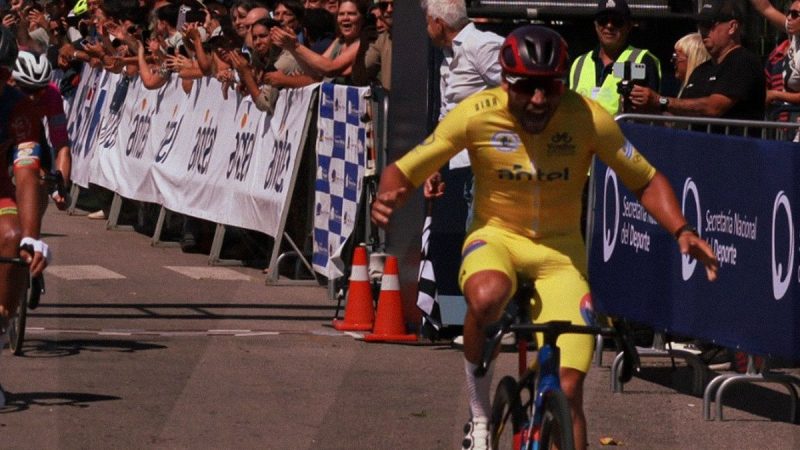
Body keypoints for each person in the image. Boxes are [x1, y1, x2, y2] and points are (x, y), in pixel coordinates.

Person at [371, 25, 719, 450]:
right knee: (486, 296)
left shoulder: (587, 117)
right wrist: (391, 195)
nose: (538, 100)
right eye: (526, 88)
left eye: (549, 88)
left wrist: (681, 229)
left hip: (559, 254)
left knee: (569, 391)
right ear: (505, 81)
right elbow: (408, 167)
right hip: (495, 239)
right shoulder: (478, 112)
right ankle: (480, 418)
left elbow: (644, 180)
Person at [0, 26, 50, 407]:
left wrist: (32, 237)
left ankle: (2, 318)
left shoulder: (19, 106)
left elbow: (26, 171)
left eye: (4, 74)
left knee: (12, 236)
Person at [628, 0, 766, 131]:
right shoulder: (701, 70)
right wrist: (645, 108)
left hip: (733, 150)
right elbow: (680, 113)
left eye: (709, 24)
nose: (703, 31)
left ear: (732, 27)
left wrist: (660, 100)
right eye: (700, 25)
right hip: (697, 148)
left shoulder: (743, 61)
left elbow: (714, 108)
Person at [569, 0, 661, 116]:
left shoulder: (643, 60)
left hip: (624, 133)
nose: (609, 25)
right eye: (603, 20)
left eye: (617, 21)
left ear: (628, 26)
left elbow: (652, 111)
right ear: (596, 25)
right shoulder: (579, 63)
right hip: (582, 132)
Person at [10, 50, 72, 212]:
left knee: (42, 181)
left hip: (31, 132)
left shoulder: (51, 95)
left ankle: (31, 234)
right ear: (12, 82)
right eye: (27, 90)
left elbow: (61, 146)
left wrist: (61, 187)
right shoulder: (5, 92)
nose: (33, 97)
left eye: (39, 90)